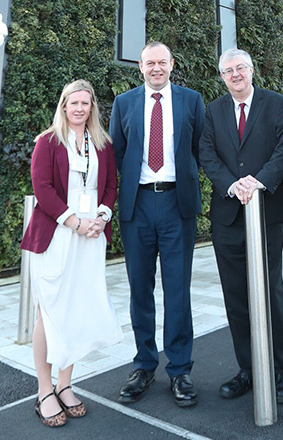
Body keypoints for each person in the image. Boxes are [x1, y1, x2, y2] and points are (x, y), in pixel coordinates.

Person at [199, 49, 283, 403]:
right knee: (236, 295)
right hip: (228, 214)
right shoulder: (213, 110)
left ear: (251, 69)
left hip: (266, 211)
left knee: (270, 291)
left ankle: (280, 369)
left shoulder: (274, 104)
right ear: (222, 77)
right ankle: (248, 368)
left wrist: (257, 181)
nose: (235, 74)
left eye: (241, 67)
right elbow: (207, 152)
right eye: (228, 71)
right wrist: (232, 184)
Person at [21, 79, 122, 427]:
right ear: (63, 105)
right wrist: (74, 221)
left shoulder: (102, 144)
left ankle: (65, 385)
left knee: (77, 309)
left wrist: (101, 217)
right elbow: (42, 188)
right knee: (49, 312)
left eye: (85, 103)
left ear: (92, 107)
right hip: (57, 235)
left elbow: (110, 186)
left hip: (91, 236)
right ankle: (44, 390)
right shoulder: (48, 142)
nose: (79, 108)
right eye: (73, 103)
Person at [109, 42, 205, 407]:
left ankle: (180, 369)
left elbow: (199, 148)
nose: (156, 68)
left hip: (177, 204)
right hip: (138, 205)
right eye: (150, 63)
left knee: (178, 290)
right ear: (140, 66)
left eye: (162, 62)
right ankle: (144, 364)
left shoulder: (190, 100)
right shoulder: (125, 103)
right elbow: (118, 151)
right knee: (140, 288)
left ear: (171, 64)